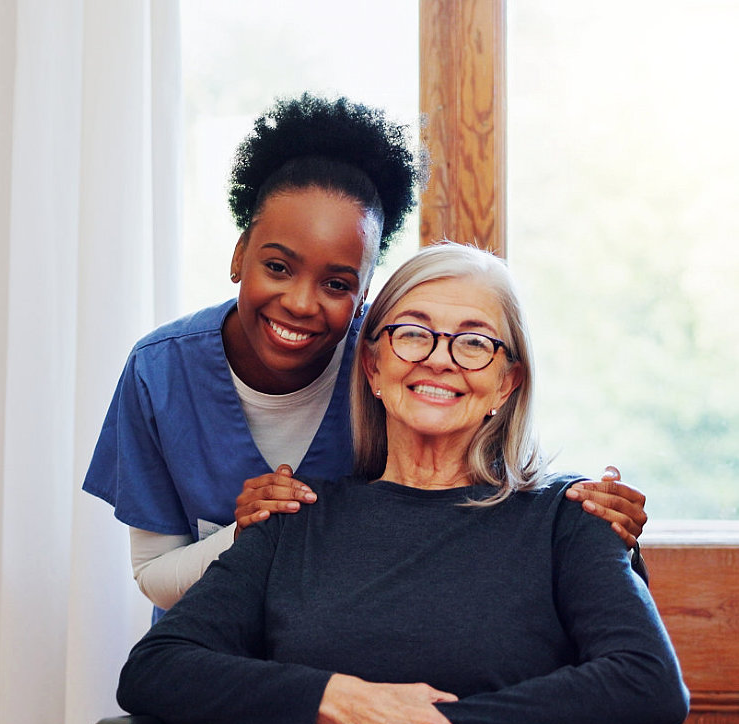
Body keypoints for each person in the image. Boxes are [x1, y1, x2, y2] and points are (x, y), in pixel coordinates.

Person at [116, 243, 689, 724]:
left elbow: (644, 680)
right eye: (413, 332)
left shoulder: (567, 520)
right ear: (374, 361)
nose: (439, 357)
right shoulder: (293, 519)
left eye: (475, 341)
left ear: (507, 381)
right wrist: (340, 703)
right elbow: (157, 670)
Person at [82, 94, 648, 626]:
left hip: (366, 670)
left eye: (337, 283)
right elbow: (154, 575)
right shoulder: (159, 373)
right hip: (220, 678)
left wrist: (586, 516)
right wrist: (247, 533)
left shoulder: (402, 360)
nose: (301, 303)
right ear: (238, 255)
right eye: (277, 267)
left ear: (367, 295)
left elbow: (481, 490)